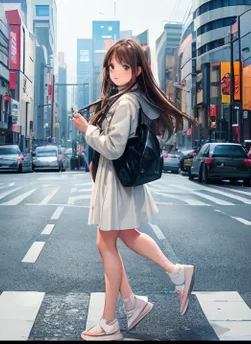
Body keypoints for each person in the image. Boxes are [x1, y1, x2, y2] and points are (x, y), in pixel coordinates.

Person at [71, 39, 196, 341]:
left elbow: (113, 147)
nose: (115, 72)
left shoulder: (126, 102)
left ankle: (110, 322)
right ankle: (141, 297)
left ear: (138, 70)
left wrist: (87, 129)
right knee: (125, 237)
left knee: (106, 244)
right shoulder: (124, 97)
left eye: (124, 66)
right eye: (112, 66)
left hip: (117, 183)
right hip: (116, 181)